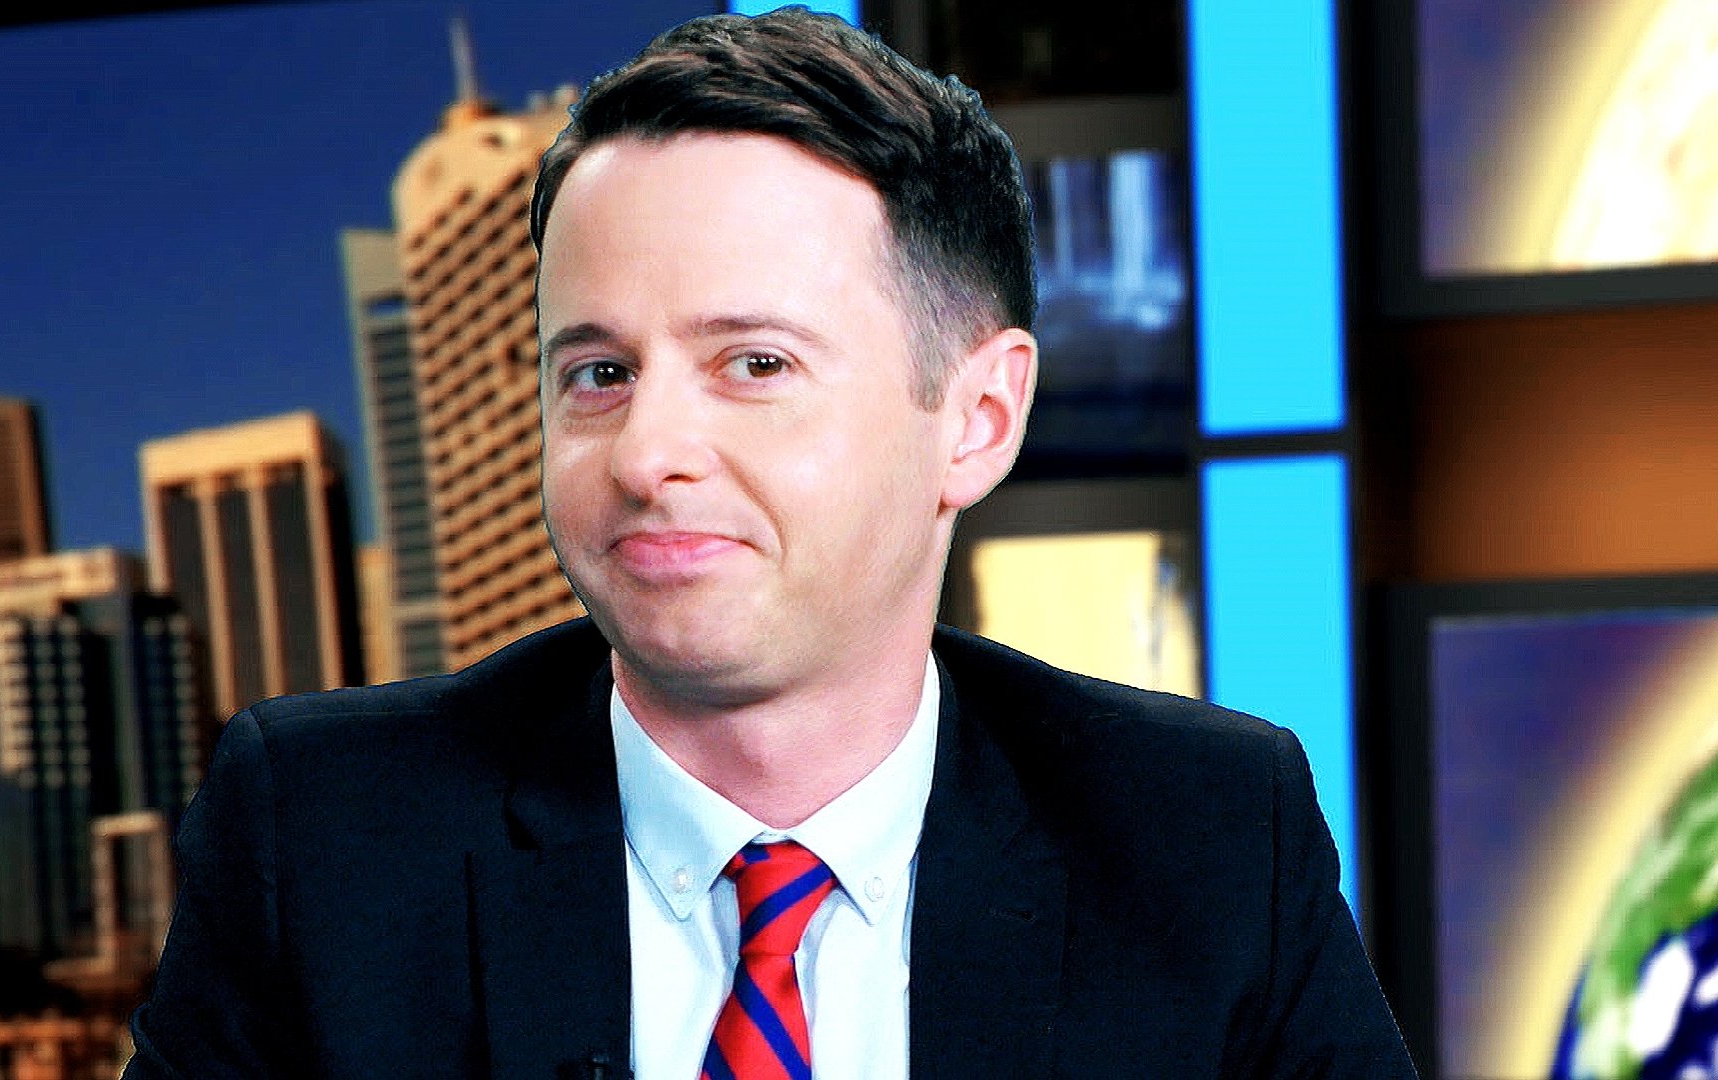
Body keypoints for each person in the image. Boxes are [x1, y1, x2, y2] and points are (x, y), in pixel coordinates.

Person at [124, 8, 1418, 1079]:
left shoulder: (1208, 837)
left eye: (754, 364)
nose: (644, 455)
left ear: (976, 420)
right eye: (598, 373)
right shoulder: (319, 838)